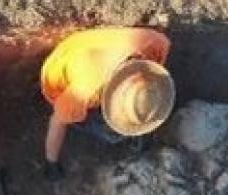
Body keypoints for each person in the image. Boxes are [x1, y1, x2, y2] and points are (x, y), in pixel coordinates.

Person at [40, 26, 175, 175]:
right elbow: (57, 121)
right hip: (58, 78)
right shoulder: (85, 91)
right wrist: (51, 163)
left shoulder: (155, 44)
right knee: (112, 134)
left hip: (88, 50)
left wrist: (142, 105)